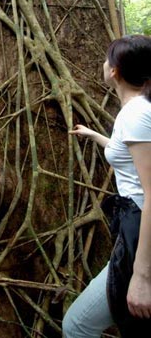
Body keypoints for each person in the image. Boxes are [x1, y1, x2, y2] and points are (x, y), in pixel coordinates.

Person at [62, 34, 151, 338]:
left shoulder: (135, 115)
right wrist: (94, 135)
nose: (102, 64)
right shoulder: (138, 111)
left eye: (106, 59)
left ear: (114, 71)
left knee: (76, 326)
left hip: (141, 231)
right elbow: (126, 151)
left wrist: (142, 276)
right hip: (134, 225)